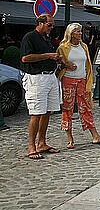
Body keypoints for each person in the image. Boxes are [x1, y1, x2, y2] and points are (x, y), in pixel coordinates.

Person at [57, 23, 100, 148]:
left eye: (81, 31)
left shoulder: (83, 46)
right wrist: (67, 66)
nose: (80, 34)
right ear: (71, 33)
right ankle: (70, 138)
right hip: (68, 79)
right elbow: (58, 64)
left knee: (85, 108)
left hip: (82, 80)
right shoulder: (63, 47)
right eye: (78, 32)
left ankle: (95, 135)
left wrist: (87, 80)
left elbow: (87, 64)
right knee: (67, 109)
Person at [20, 14, 62, 160]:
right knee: (36, 113)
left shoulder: (47, 38)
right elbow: (25, 58)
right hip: (36, 78)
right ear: (40, 23)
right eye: (49, 25)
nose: (51, 28)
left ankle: (42, 143)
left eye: (52, 25)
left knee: (47, 111)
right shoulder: (30, 37)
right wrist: (47, 56)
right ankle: (31, 146)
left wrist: (55, 58)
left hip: (49, 76)